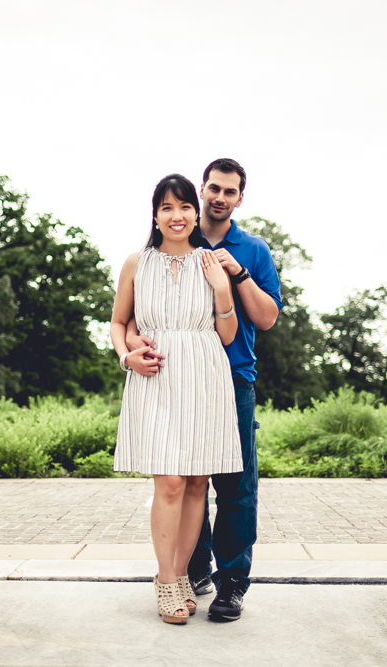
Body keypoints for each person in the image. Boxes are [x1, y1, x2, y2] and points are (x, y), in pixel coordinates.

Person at [128, 158, 282, 622]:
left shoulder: (251, 249)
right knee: (182, 480)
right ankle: (187, 576)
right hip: (175, 376)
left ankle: (232, 584)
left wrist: (236, 276)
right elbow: (138, 313)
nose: (219, 197)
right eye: (213, 189)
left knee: (234, 488)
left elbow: (268, 318)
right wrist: (132, 342)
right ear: (201, 194)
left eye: (229, 192)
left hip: (233, 377)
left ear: (239, 199)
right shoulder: (168, 250)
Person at [111, 173, 243, 625]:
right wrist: (128, 356)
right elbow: (117, 322)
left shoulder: (211, 263)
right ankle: (166, 579)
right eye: (168, 207)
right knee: (167, 482)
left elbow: (226, 333)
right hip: (158, 375)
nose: (178, 215)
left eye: (185, 206)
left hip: (206, 373)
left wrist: (223, 289)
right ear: (155, 215)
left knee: (196, 483)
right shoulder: (136, 263)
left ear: (194, 212)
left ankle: (184, 576)